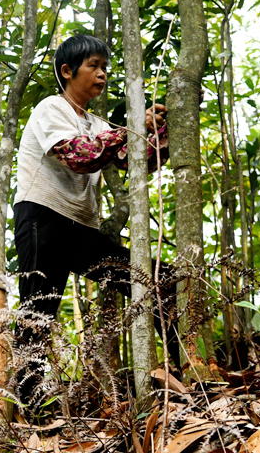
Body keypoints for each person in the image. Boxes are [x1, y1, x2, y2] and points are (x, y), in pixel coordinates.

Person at [12, 34, 178, 411]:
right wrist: (129, 130)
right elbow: (78, 156)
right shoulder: (51, 108)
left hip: (81, 228)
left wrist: (153, 130)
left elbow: (142, 162)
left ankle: (177, 374)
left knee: (155, 281)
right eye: (94, 66)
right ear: (67, 71)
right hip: (43, 217)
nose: (103, 73)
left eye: (105, 66)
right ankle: (29, 407)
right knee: (38, 312)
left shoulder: (98, 122)